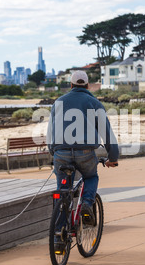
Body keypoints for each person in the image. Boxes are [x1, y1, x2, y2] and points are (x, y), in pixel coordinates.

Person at [47, 70, 119, 226]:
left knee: (62, 191)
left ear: (71, 85)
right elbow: (107, 134)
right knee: (91, 177)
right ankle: (87, 202)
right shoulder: (95, 103)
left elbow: (50, 131)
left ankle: (59, 238)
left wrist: (53, 151)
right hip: (85, 153)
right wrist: (113, 158)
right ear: (87, 85)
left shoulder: (58, 102)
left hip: (61, 152)